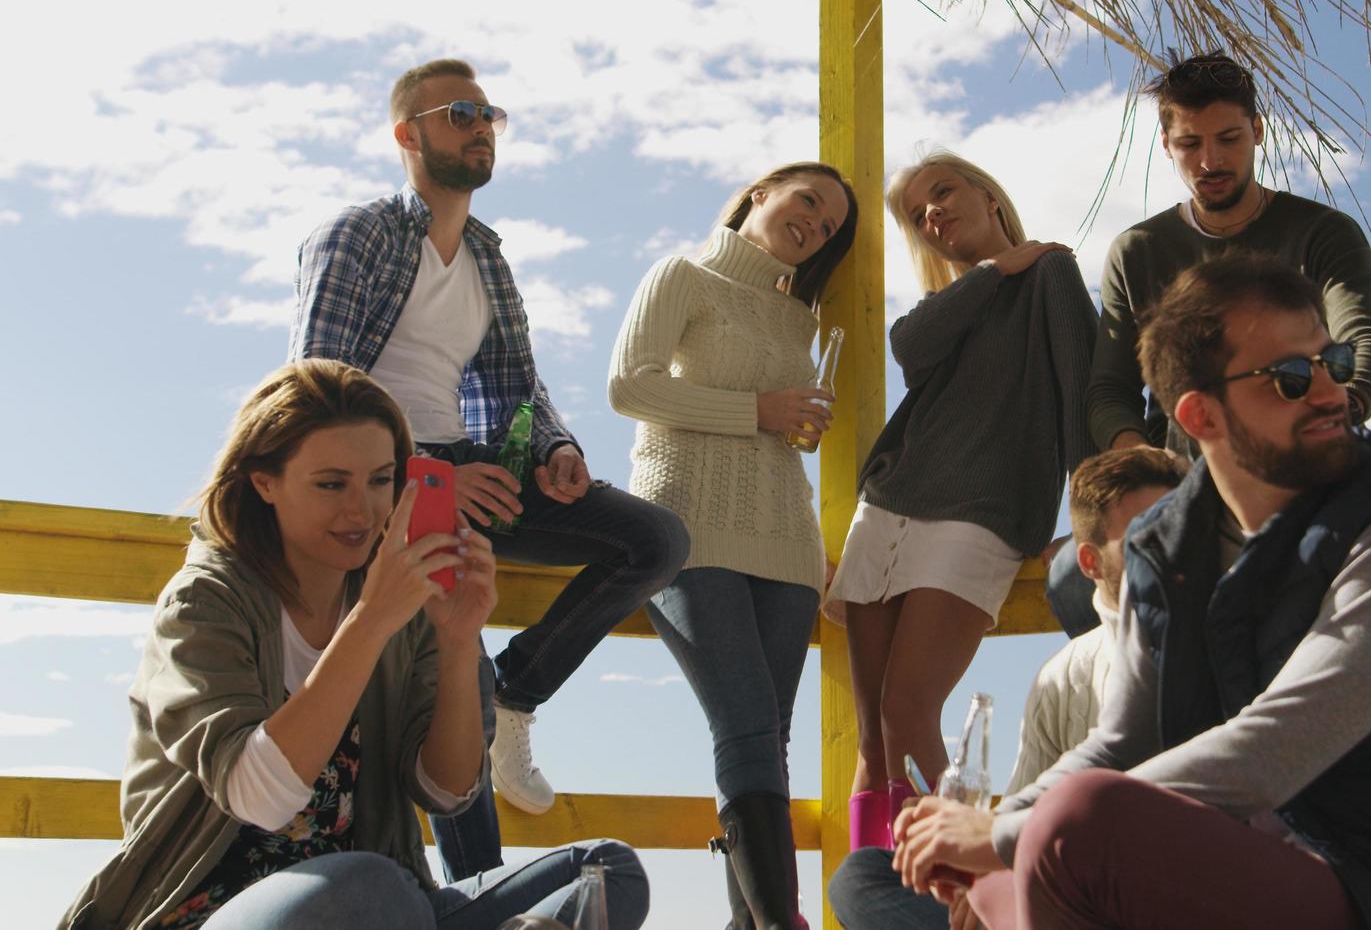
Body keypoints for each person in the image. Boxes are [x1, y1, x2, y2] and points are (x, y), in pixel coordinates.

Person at [890, 255, 1371, 929]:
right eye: (1288, 376)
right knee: (1002, 871)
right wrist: (977, 835)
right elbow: (1120, 742)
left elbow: (1277, 746)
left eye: (1332, 362)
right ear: (1200, 418)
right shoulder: (1163, 548)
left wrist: (1003, 831)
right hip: (1284, 867)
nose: (1329, 392)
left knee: (1069, 832)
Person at [60, 361, 648, 930]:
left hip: (384, 907)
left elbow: (447, 791)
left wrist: (456, 638)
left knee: (607, 871)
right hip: (217, 909)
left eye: (381, 480)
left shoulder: (399, 593)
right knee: (368, 888)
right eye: (331, 483)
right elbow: (257, 798)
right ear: (263, 482)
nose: (362, 509)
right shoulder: (206, 603)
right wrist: (369, 622)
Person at [290, 58, 689, 879]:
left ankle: (522, 690)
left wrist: (555, 449)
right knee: (450, 674)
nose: (479, 128)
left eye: (488, 115)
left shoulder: (485, 258)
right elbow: (316, 390)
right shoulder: (357, 234)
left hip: (473, 471)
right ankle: (480, 893)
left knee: (653, 541)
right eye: (460, 113)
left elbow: (517, 388)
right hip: (387, 480)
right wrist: (420, 477)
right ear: (408, 135)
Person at [1045, 49, 1371, 640]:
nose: (1210, 160)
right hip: (1182, 470)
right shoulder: (1137, 250)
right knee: (1070, 578)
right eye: (1189, 145)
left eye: (1229, 138)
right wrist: (1149, 461)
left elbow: (1364, 344)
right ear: (1166, 146)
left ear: (1258, 131)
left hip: (1301, 448)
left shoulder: (1323, 233)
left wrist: (1327, 417)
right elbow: (1109, 388)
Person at [607, 161, 858, 928]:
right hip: (688, 526)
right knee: (747, 728)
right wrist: (758, 409)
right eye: (807, 202)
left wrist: (813, 540)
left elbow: (787, 434)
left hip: (784, 543)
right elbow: (630, 386)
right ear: (761, 193)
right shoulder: (680, 274)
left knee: (764, 741)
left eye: (826, 226)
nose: (812, 225)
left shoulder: (799, 320)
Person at [825, 151, 1097, 854]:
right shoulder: (957, 299)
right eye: (918, 215)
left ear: (988, 194)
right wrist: (986, 273)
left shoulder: (1050, 273)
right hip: (887, 503)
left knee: (907, 710)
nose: (933, 214)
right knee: (873, 739)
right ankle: (874, 894)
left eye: (942, 193)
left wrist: (1087, 509)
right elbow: (908, 346)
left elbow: (1080, 394)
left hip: (981, 511)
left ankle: (957, 884)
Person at [827, 446, 1185, 930]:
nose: (1171, 545)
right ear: (1090, 561)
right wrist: (985, 876)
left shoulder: (1220, 642)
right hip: (1057, 895)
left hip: (1164, 892)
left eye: (1180, 525)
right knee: (859, 878)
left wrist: (997, 856)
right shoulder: (1063, 675)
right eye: (1144, 536)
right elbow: (1026, 805)